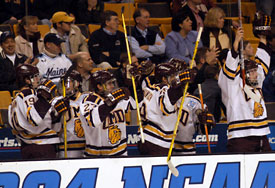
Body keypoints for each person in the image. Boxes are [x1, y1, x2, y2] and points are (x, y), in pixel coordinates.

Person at [218, 21, 272, 152]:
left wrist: (262, 37)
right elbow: (231, 65)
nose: (255, 74)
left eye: (255, 71)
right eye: (251, 72)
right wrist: (236, 42)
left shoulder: (256, 78)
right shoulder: (232, 82)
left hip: (262, 134)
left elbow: (263, 59)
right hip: (240, 137)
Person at [138, 62, 197, 155]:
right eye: (172, 76)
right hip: (157, 140)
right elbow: (166, 106)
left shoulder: (149, 88)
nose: (174, 79)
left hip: (146, 137)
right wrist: (180, 82)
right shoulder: (163, 88)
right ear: (164, 79)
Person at [8, 64, 60, 159]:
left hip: (27, 146)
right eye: (35, 76)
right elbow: (34, 119)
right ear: (27, 80)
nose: (38, 79)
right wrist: (44, 97)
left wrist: (55, 113)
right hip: (41, 146)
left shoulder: (15, 99)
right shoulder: (29, 94)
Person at [80, 70, 135, 156]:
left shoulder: (117, 97)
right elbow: (93, 120)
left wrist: (133, 85)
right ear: (99, 86)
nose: (113, 86)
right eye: (109, 84)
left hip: (121, 153)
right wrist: (112, 101)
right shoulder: (89, 100)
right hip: (97, 157)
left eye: (113, 83)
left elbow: (134, 106)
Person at [57, 70, 89, 158]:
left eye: (67, 82)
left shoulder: (88, 99)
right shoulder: (57, 101)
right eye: (63, 83)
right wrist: (56, 114)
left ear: (77, 83)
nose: (65, 86)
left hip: (87, 146)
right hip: (66, 147)